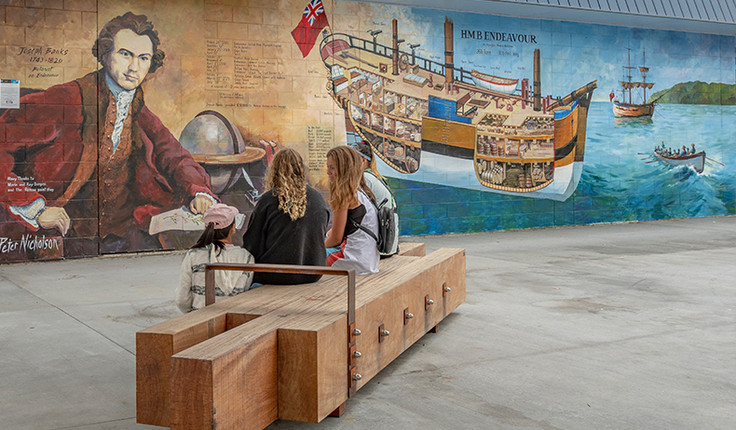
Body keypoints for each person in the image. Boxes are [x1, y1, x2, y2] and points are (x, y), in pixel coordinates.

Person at [0, 12, 216, 258]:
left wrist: (199, 191)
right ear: (105, 54)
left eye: (143, 58)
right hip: (60, 237)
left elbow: (174, 155)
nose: (134, 67)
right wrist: (36, 207)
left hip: (120, 238)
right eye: (125, 54)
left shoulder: (138, 109)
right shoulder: (65, 100)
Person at [242, 148, 330, 284]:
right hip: (313, 273)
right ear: (301, 169)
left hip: (275, 274)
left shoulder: (268, 200)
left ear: (274, 171)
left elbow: (252, 245)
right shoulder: (318, 199)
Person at [176, 204, 253, 313]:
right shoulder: (246, 257)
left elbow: (182, 299)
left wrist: (192, 315)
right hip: (233, 321)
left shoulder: (193, 255)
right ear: (233, 228)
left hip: (199, 320)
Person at [324, 146, 379, 275]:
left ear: (343, 169)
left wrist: (316, 246)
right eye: (328, 167)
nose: (328, 172)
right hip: (368, 260)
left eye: (332, 168)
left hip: (352, 261)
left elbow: (336, 239)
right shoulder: (362, 192)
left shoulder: (344, 195)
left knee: (305, 258)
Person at [348, 140, 400, 257]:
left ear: (363, 160)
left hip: (380, 249)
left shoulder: (365, 179)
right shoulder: (373, 176)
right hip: (389, 245)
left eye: (351, 159)